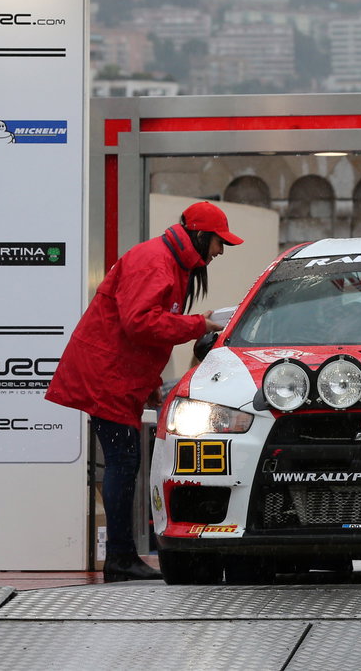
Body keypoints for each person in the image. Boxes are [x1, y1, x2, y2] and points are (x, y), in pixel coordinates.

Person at [46, 200, 240, 583]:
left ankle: (121, 557)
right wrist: (198, 325)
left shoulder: (165, 260)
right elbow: (140, 323)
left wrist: (150, 383)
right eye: (220, 242)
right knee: (123, 462)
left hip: (116, 375)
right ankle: (120, 559)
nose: (221, 251)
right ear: (201, 235)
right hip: (108, 377)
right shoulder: (156, 261)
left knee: (124, 462)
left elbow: (138, 328)